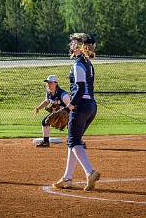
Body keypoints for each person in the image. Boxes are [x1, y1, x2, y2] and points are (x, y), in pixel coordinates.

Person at [52, 33, 100, 191]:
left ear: (80, 46)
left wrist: (69, 107)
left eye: (73, 43)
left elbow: (79, 89)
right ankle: (67, 178)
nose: (70, 45)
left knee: (73, 141)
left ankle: (90, 172)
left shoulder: (78, 64)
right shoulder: (88, 63)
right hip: (91, 106)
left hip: (81, 106)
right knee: (73, 142)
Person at [34, 75, 70, 147]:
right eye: (47, 83)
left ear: (56, 83)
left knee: (72, 125)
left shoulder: (63, 94)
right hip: (57, 113)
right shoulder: (49, 93)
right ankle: (46, 142)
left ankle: (79, 141)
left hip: (68, 113)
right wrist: (38, 108)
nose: (48, 84)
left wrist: (68, 116)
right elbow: (47, 101)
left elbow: (71, 106)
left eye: (50, 83)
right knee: (45, 122)